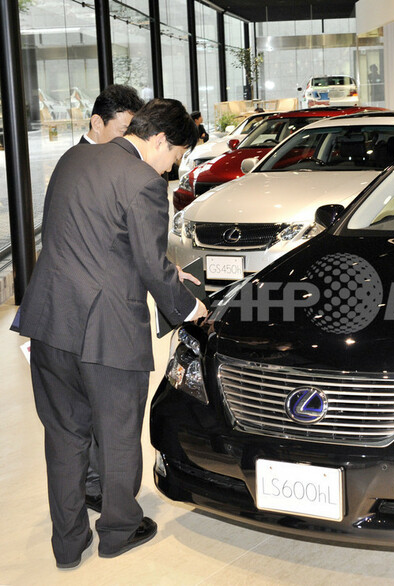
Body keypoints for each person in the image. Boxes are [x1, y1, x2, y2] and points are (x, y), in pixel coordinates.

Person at [14, 98, 208, 569]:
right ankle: (119, 530)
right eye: (176, 156)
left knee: (64, 437)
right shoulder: (144, 181)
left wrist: (168, 271)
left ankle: (67, 544)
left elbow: (89, 239)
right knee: (117, 434)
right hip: (107, 332)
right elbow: (148, 262)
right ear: (159, 140)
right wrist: (188, 305)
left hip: (49, 322)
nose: (172, 168)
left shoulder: (73, 158)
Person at [78, 84, 145, 516]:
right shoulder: (78, 165)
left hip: (96, 307)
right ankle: (101, 489)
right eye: (122, 131)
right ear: (96, 123)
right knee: (97, 410)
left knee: (98, 410)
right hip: (91, 310)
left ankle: (101, 486)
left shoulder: (110, 164)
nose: (127, 143)